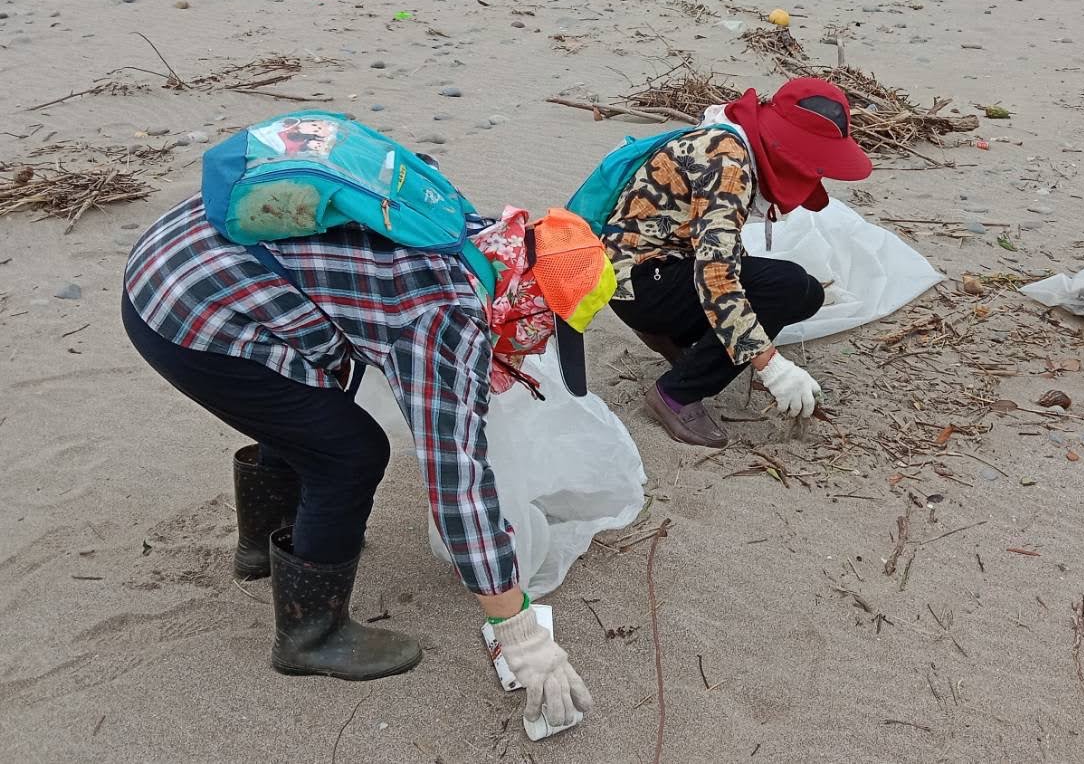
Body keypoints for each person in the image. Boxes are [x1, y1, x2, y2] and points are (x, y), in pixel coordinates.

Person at [122, 193, 610, 732]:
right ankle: (312, 636)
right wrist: (519, 634)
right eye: (545, 323)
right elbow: (458, 483)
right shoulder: (448, 314)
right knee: (349, 455)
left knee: (310, 407)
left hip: (178, 254)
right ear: (529, 297)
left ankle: (261, 549)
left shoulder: (471, 237)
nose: (537, 341)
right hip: (189, 308)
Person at [603, 77, 874, 448]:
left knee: (801, 290)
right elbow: (715, 273)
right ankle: (674, 396)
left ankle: (673, 338)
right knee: (788, 288)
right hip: (641, 282)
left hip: (638, 273)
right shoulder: (729, 163)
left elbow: (712, 244)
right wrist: (772, 367)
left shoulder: (729, 137)